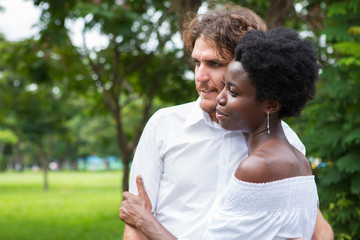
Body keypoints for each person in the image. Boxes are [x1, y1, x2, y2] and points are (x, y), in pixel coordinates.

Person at [120, 4, 333, 240]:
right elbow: (134, 227)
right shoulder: (163, 126)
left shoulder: (286, 143)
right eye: (196, 63)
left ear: (245, 67)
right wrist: (141, 220)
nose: (200, 77)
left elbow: (316, 227)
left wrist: (144, 219)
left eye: (214, 64)